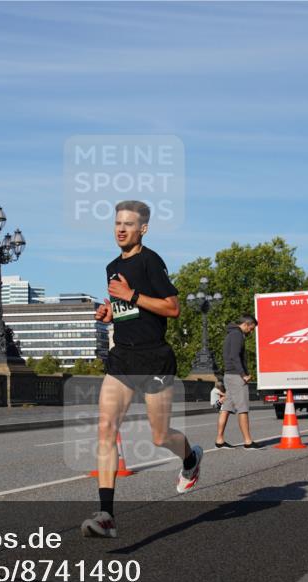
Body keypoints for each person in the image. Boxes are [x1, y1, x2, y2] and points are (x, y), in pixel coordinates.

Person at [82, 200, 202, 539]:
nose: (121, 229)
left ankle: (190, 458)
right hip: (123, 357)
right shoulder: (111, 266)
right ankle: (106, 515)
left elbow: (172, 308)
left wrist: (130, 294)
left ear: (143, 229)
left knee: (160, 436)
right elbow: (128, 308)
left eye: (128, 224)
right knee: (106, 428)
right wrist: (111, 312)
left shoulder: (151, 261)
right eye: (117, 223)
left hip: (154, 359)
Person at [215, 315, 258, 449]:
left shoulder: (231, 333)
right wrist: (243, 374)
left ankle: (219, 440)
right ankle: (248, 442)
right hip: (236, 376)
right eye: (251, 328)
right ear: (246, 324)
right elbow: (234, 356)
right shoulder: (237, 335)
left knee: (226, 408)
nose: (251, 332)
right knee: (242, 408)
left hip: (229, 375)